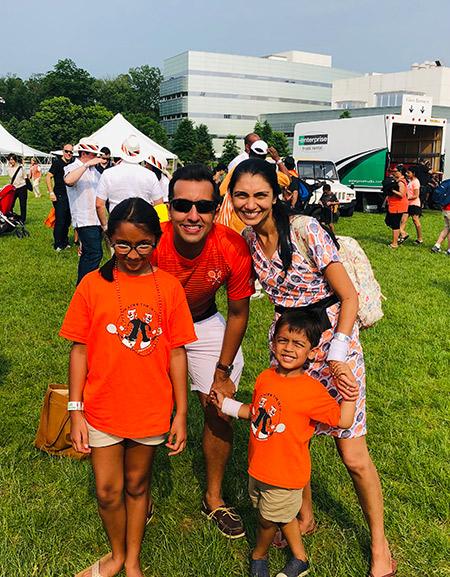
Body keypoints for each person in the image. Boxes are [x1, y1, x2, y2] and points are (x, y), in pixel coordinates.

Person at [229, 158, 396, 577]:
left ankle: (379, 542)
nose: (250, 204)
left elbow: (348, 297)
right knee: (291, 435)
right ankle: (303, 515)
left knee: (352, 454)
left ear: (278, 195)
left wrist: (337, 354)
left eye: (260, 195)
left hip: (333, 346)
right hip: (288, 348)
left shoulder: (305, 230)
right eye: (242, 195)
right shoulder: (249, 240)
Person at [60, 197, 196, 577]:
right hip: (101, 407)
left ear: (157, 241)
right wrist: (76, 411)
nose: (133, 254)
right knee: (108, 490)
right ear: (109, 240)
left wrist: (181, 413)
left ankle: (132, 559)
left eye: (143, 245)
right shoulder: (92, 285)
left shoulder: (168, 288)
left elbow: (177, 353)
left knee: (137, 485)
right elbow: (79, 350)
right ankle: (115, 554)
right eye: (123, 245)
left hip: (150, 408)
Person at [211, 310, 358, 577]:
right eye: (283, 341)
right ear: (273, 343)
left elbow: (344, 420)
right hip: (259, 467)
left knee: (267, 520)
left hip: (286, 474)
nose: (288, 348)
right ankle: (300, 559)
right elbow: (256, 412)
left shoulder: (312, 391)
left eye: (298, 344)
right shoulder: (265, 378)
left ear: (312, 352)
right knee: (282, 515)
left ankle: (259, 555)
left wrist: (351, 394)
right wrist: (227, 405)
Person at [151, 164, 254, 539]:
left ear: (217, 208)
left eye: (203, 207)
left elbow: (240, 311)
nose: (193, 216)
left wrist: (222, 371)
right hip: (154, 323)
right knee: (142, 404)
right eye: (182, 205)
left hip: (203, 321)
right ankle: (139, 490)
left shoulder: (232, 244)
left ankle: (214, 497)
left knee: (219, 406)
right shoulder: (151, 240)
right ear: (169, 206)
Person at [96, 136, 163, 231]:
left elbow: (99, 205)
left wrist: (105, 227)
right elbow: (159, 205)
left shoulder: (108, 173)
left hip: (117, 224)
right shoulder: (150, 175)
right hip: (143, 224)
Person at [64, 138, 104, 284]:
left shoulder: (96, 172)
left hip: (96, 218)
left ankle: (84, 285)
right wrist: (86, 165)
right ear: (85, 153)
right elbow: (68, 180)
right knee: (95, 254)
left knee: (89, 253)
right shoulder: (73, 167)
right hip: (84, 218)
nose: (97, 157)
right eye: (94, 154)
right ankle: (85, 285)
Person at [46, 144, 75, 251]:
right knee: (60, 220)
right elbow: (48, 177)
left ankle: (65, 241)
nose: (68, 154)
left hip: (70, 196)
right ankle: (57, 244)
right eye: (67, 151)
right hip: (59, 195)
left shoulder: (73, 163)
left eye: (71, 152)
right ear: (63, 152)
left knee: (67, 220)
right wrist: (51, 192)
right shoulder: (57, 163)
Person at [385, 166, 408, 249]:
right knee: (388, 221)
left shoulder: (401, 182)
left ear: (400, 172)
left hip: (398, 206)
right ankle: (402, 233)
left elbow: (402, 194)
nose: (394, 172)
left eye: (395, 171)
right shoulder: (397, 180)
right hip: (393, 205)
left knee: (395, 224)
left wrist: (392, 190)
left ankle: (394, 244)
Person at [399, 166, 423, 245]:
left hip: (414, 204)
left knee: (415, 221)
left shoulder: (416, 182)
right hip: (408, 204)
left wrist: (407, 197)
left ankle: (420, 238)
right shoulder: (410, 181)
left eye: (408, 173)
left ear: (414, 173)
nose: (407, 174)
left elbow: (416, 195)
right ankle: (402, 235)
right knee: (403, 220)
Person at [7, 154, 28, 223]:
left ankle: (23, 219)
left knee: (23, 204)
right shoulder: (8, 169)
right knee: (10, 204)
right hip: (14, 189)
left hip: (22, 188)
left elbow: (25, 177)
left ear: (15, 160)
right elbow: (10, 179)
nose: (11, 161)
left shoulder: (21, 168)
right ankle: (11, 217)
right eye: (9, 159)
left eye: (12, 159)